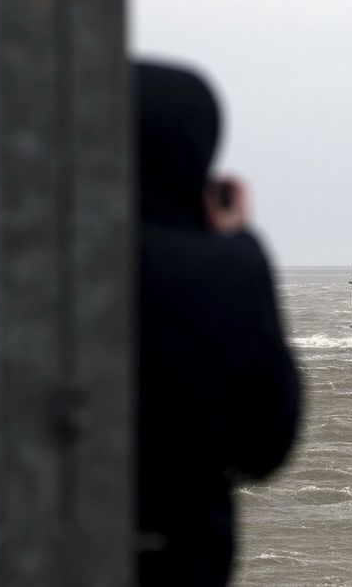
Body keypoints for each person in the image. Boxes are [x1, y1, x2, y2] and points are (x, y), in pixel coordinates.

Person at [136, 62, 301, 586]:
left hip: (20, 552)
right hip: (171, 559)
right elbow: (267, 444)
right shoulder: (224, 271)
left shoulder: (18, 261)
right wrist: (240, 245)